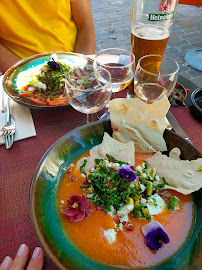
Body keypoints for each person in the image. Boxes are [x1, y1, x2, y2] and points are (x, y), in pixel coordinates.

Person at [0, 0, 95, 73]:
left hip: (74, 62)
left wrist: (82, 69)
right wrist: (25, 74)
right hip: (20, 70)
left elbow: (85, 24)